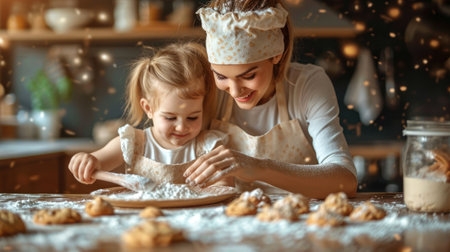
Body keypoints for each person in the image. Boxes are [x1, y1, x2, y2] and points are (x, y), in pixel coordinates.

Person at [183, 0, 357, 199]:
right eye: (221, 77)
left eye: (248, 76)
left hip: (302, 221)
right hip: (234, 220)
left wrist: (259, 167)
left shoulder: (307, 84)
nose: (235, 90)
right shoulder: (208, 90)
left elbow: (346, 180)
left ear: (277, 55)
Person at [68, 42, 229, 186]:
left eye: (193, 117)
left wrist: (220, 182)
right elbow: (98, 162)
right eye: (170, 117)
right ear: (148, 108)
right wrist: (86, 161)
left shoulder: (210, 146)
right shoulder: (133, 143)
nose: (182, 127)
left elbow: (225, 187)